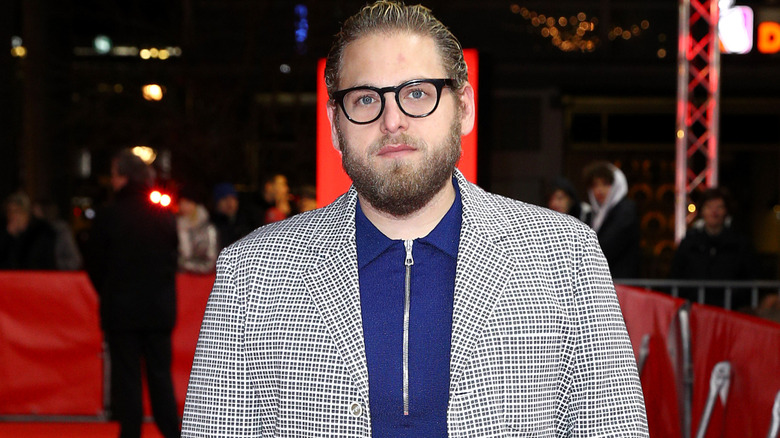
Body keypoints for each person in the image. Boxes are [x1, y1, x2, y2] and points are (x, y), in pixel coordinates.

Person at [181, 2, 648, 437]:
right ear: (334, 123)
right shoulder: (253, 272)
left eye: (418, 93)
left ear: (463, 107)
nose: (392, 121)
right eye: (365, 99)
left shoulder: (565, 257)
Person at [86, 149, 180, 438]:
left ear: (123, 177)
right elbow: (172, 258)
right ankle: (172, 432)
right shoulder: (163, 215)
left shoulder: (109, 215)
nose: (111, 181)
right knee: (160, 379)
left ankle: (130, 434)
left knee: (127, 383)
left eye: (114, 175)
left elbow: (93, 262)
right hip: (158, 311)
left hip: (121, 311)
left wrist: (111, 290)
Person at [669, 187, 756, 307]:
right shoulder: (689, 242)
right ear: (702, 210)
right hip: (695, 308)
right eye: (709, 206)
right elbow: (676, 273)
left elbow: (749, 275)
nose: (714, 212)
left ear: (726, 211)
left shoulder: (739, 243)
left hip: (730, 309)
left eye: (719, 207)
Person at [584, 161, 641, 279]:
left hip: (622, 287)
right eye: (595, 185)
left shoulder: (625, 211)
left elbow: (606, 248)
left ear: (616, 185)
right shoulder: (593, 215)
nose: (599, 190)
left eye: (605, 184)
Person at [0, 191, 57, 270]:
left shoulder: (41, 232)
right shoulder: (5, 232)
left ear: (26, 212)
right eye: (9, 211)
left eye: (17, 211)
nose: (12, 215)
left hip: (35, 278)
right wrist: (8, 235)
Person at [176, 187, 218, 274]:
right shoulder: (176, 227)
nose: (183, 206)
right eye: (181, 203)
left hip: (202, 281)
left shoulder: (208, 230)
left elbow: (211, 261)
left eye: (187, 202)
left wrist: (184, 265)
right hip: (179, 279)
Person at [211, 182, 256, 249]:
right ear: (217, 203)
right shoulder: (212, 225)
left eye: (232, 198)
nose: (229, 203)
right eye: (224, 199)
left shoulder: (247, 221)